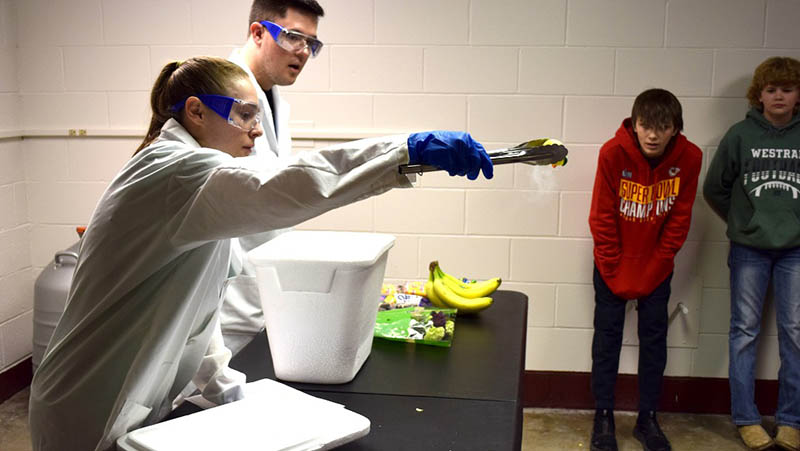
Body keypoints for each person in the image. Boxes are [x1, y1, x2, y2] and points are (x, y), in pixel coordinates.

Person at [27, 56, 492, 451]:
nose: (254, 130)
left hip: (121, 398)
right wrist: (403, 151)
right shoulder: (177, 172)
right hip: (86, 404)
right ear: (196, 111)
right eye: (244, 114)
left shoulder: (188, 180)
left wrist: (227, 389)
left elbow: (194, 309)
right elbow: (284, 186)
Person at [588, 88, 702, 451]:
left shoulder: (690, 157)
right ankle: (603, 416)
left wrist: (655, 268)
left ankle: (647, 418)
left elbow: (679, 220)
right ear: (634, 125)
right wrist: (613, 269)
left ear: (674, 129)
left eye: (662, 127)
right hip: (611, 263)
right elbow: (602, 217)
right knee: (607, 341)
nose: (652, 135)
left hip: (657, 266)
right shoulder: (611, 153)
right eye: (645, 126)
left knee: (654, 342)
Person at [703, 56, 800, 451]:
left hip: (796, 251)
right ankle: (745, 417)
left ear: (798, 95)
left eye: (787, 88)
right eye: (771, 89)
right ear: (758, 95)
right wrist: (742, 221)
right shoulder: (740, 134)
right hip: (749, 250)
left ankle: (791, 419)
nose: (779, 96)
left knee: (795, 333)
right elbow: (715, 188)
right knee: (744, 333)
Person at [218, 0, 324, 353]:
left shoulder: (275, 101)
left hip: (262, 291)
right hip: (225, 299)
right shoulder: (221, 97)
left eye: (311, 43)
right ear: (259, 33)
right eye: (294, 37)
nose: (304, 51)